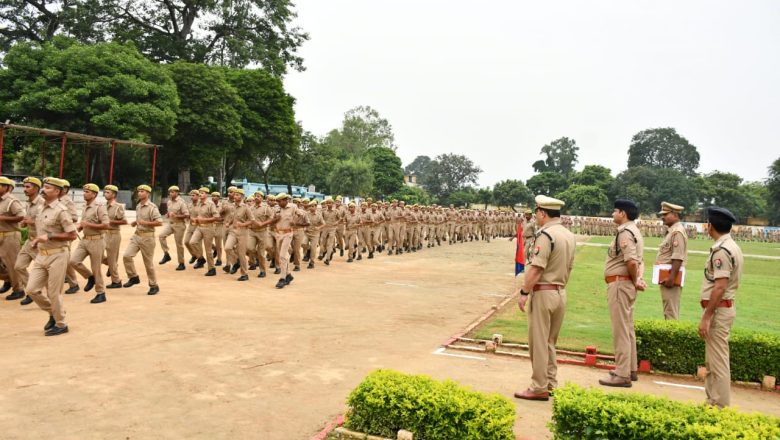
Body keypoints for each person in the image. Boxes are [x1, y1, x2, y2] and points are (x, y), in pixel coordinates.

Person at [514, 196, 576, 401]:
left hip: (543, 292)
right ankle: (550, 382)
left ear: (542, 213)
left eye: (537, 213)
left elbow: (537, 268)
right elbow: (569, 267)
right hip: (560, 291)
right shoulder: (568, 235)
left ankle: (538, 386)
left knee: (539, 342)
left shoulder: (546, 235)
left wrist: (524, 292)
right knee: (550, 341)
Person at [699, 207, 743, 407]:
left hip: (718, 310)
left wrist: (707, 317)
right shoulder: (731, 245)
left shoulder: (722, 251)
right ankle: (713, 401)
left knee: (717, 362)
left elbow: (720, 286)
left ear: (711, 226)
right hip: (722, 309)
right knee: (714, 360)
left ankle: (719, 406)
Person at [600, 199, 645, 388]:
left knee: (621, 330)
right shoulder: (634, 230)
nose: (612, 214)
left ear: (623, 214)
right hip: (625, 284)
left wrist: (635, 280)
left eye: (614, 211)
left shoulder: (625, 232)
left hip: (620, 284)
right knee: (627, 328)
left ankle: (622, 373)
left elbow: (632, 262)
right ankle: (630, 369)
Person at [26, 177, 78, 336]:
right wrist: (37, 240)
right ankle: (54, 313)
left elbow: (72, 235)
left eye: (48, 188)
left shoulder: (61, 211)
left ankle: (61, 324)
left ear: (57, 191)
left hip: (58, 255)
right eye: (44, 187)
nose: (43, 190)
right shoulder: (41, 207)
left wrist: (49, 236)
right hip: (42, 255)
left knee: (53, 292)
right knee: (31, 290)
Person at [255, 193, 308, 289]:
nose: (278, 203)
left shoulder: (293, 207)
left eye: (279, 201)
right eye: (277, 201)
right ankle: (288, 275)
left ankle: (282, 279)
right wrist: (267, 222)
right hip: (278, 234)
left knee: (282, 256)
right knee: (282, 256)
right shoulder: (277, 208)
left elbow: (304, 217)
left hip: (288, 234)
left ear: (285, 200)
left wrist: (296, 223)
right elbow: (273, 220)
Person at [69, 183, 110, 303]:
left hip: (97, 240)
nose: (84, 193)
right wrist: (79, 227)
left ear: (94, 194)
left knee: (96, 268)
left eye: (87, 192)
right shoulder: (84, 206)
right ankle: (90, 277)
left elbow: (106, 224)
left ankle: (101, 293)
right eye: (84, 191)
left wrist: (89, 225)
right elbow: (84, 223)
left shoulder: (99, 207)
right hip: (85, 239)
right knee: (73, 261)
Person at [123, 185, 163, 295]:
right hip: (137, 235)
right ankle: (133, 277)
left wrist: (146, 223)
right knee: (127, 256)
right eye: (139, 191)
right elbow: (140, 219)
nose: (139, 193)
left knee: (148, 263)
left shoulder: (152, 207)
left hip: (147, 237)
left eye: (142, 191)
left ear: (148, 194)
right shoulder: (138, 206)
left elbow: (159, 222)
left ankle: (154, 285)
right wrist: (135, 222)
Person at [655, 202, 688, 320]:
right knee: (668, 311)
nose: (662, 217)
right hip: (667, 277)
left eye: (665, 214)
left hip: (671, 279)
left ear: (675, 214)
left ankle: (672, 337)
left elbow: (678, 257)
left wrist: (671, 278)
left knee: (671, 313)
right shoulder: (672, 231)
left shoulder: (677, 232)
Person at [15, 177, 45, 305]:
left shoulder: (43, 203)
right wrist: (24, 223)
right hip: (30, 241)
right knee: (19, 266)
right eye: (24, 186)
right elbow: (28, 221)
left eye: (28, 187)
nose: (24, 189)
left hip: (41, 243)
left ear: (37, 188)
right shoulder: (29, 203)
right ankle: (32, 293)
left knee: (43, 271)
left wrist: (30, 221)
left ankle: (38, 295)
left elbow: (46, 223)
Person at [0, 176, 25, 301]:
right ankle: (8, 280)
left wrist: (4, 218)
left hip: (10, 236)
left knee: (12, 264)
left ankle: (18, 290)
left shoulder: (11, 201)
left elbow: (21, 216)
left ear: (6, 187)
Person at [224, 189, 254, 281]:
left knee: (241, 254)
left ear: (241, 196)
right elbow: (233, 217)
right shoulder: (232, 206)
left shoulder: (245, 207)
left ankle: (244, 274)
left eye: (237, 195)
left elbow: (252, 220)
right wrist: (229, 223)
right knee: (227, 247)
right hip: (233, 231)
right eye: (235, 195)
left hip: (243, 232)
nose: (235, 196)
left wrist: (243, 224)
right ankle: (236, 262)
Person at [102, 184, 127, 287]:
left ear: (114, 194)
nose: (105, 194)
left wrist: (110, 222)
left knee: (112, 258)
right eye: (105, 192)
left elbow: (124, 221)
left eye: (108, 192)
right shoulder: (103, 206)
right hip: (104, 234)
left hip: (113, 234)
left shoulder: (118, 207)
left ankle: (116, 281)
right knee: (97, 254)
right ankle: (112, 266)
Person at [158, 185, 189, 270]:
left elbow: (186, 215)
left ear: (177, 193)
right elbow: (169, 212)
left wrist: (177, 215)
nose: (171, 194)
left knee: (178, 244)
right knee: (161, 236)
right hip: (170, 224)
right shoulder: (169, 202)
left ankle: (181, 263)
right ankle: (166, 254)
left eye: (173, 192)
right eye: (170, 192)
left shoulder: (181, 202)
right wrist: (168, 214)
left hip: (179, 225)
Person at [59, 180, 82, 295]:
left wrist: (62, 220)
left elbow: (74, 218)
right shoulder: (53, 200)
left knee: (65, 259)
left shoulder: (68, 202)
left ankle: (74, 283)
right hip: (55, 234)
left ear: (65, 189)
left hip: (65, 233)